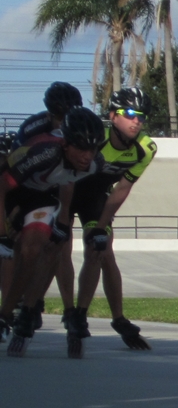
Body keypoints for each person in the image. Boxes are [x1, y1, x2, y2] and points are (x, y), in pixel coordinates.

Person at [60, 87, 161, 352]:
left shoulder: (145, 148)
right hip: (68, 192)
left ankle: (88, 314)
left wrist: (102, 225)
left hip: (96, 199)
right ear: (113, 116)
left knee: (101, 250)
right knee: (60, 248)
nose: (136, 120)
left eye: (142, 116)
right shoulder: (95, 137)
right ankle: (68, 310)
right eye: (130, 114)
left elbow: (122, 189)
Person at [0, 107, 105, 356]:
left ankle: (20, 312)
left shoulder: (94, 163)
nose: (87, 156)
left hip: (42, 196)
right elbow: (2, 188)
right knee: (13, 252)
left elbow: (68, 182)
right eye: (81, 148)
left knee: (35, 249)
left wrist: (63, 222)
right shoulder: (44, 152)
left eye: (92, 149)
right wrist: (3, 232)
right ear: (65, 143)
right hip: (12, 192)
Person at [15, 82, 84, 324]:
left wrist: (65, 214)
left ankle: (67, 309)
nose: (63, 122)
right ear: (49, 113)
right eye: (59, 116)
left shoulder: (80, 127)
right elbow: (17, 165)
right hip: (31, 184)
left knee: (61, 247)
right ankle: (21, 299)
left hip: (63, 184)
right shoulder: (33, 128)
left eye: (68, 115)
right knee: (25, 245)